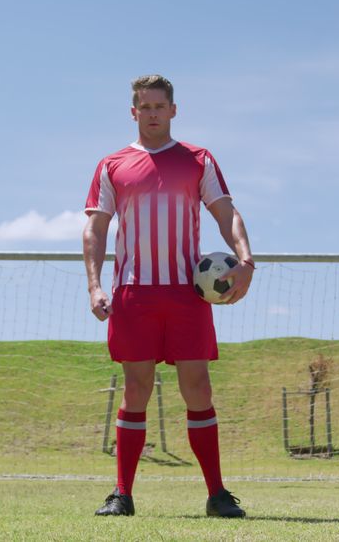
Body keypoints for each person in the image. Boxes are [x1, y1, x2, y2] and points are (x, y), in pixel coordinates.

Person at [82, 74, 255, 518]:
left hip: (187, 295)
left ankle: (217, 494)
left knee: (197, 387)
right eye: (145, 107)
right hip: (135, 293)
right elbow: (95, 229)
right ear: (133, 111)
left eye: (161, 106)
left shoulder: (198, 160)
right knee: (136, 389)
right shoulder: (111, 165)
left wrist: (246, 261)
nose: (153, 114)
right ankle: (122, 494)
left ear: (174, 110)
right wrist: (95, 285)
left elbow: (226, 213)